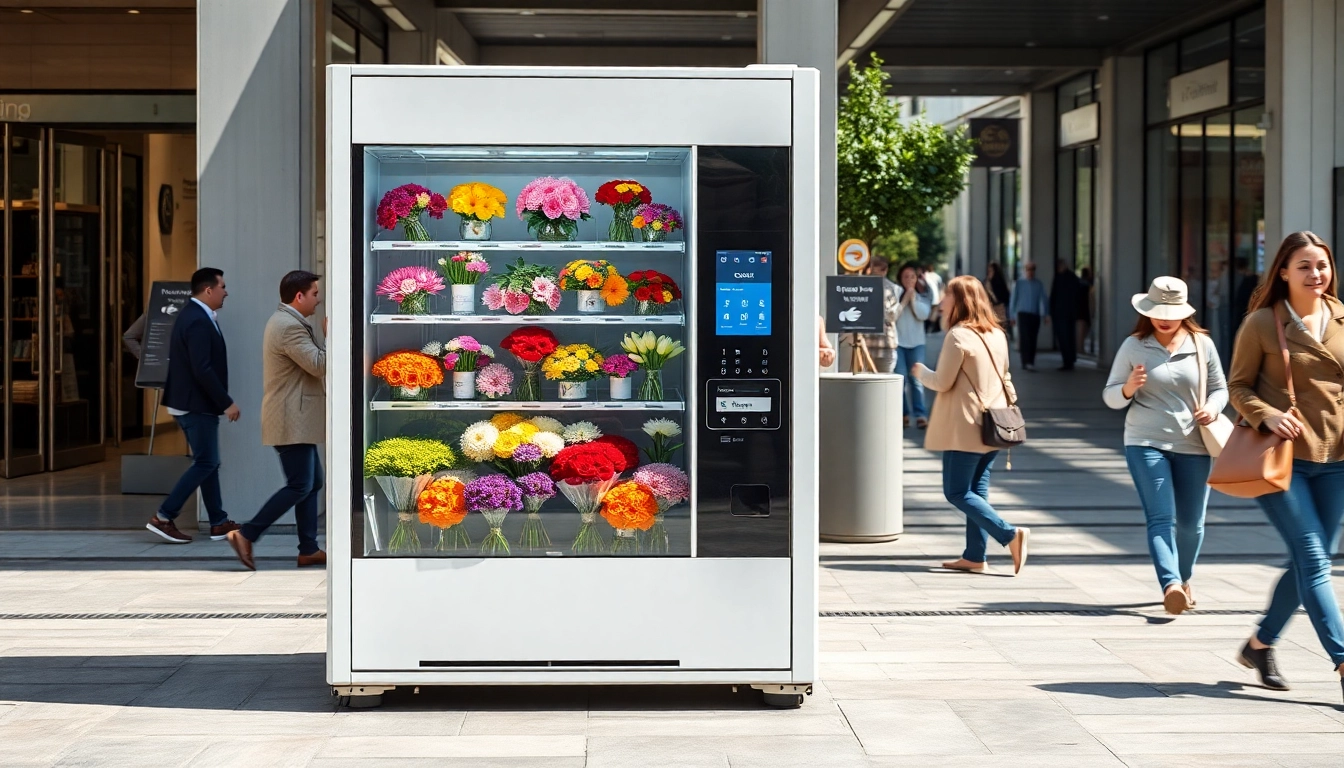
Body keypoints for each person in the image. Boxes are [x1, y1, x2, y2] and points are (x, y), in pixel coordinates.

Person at [1227, 231, 1344, 701]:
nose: (1316, 274)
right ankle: (1342, 660)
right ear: (1283, 271)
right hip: (1281, 460)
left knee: (1308, 562)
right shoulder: (1262, 322)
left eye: (1322, 265)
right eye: (1305, 266)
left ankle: (1260, 644)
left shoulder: (1341, 318)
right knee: (1314, 559)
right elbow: (1238, 386)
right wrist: (1267, 414)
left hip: (1336, 459)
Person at [1103, 277, 1225, 615]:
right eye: (1158, 311)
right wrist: (1128, 388)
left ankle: (1183, 580)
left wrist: (1212, 408)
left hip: (1194, 443)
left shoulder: (1202, 345)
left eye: (1171, 312)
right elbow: (1111, 396)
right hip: (1145, 441)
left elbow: (1221, 388)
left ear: (1184, 312)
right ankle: (1170, 584)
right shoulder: (1133, 346)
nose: (1164, 319)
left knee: (1192, 524)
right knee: (1160, 518)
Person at [911, 275, 1031, 575]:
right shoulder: (997, 333)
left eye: (946, 296)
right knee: (976, 490)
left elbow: (942, 382)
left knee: (956, 492)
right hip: (996, 423)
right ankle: (975, 556)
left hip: (965, 426)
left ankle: (1009, 534)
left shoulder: (958, 335)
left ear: (960, 301)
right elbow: (1005, 376)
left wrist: (919, 371)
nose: (941, 302)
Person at [227, 271, 328, 570]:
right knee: (300, 484)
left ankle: (308, 549)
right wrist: (331, 336)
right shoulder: (288, 327)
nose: (318, 299)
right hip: (290, 418)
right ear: (299, 296)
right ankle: (246, 534)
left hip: (296, 418)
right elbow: (318, 364)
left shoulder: (289, 321)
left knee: (312, 483)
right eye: (314, 294)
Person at [146, 267, 241, 544]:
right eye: (222, 287)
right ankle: (163, 517)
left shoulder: (197, 315)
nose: (226, 292)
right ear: (209, 290)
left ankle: (218, 522)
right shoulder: (197, 319)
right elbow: (202, 368)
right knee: (207, 462)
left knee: (208, 463)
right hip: (196, 404)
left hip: (194, 402)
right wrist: (226, 402)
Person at [891, 262, 932, 428]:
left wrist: (913, 298)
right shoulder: (895, 294)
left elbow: (923, 315)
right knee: (900, 379)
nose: (909, 280)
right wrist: (904, 300)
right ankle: (903, 414)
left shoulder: (923, 294)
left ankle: (920, 414)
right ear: (900, 278)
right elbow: (892, 316)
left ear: (917, 278)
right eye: (905, 277)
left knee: (917, 380)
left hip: (917, 343)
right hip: (898, 343)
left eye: (912, 277)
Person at [862, 257, 900, 374]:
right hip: (865, 343)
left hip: (885, 343)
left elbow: (892, 316)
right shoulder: (862, 286)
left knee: (885, 379)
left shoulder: (892, 288)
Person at [1009, 261, 1048, 371]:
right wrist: (1012, 316)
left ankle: (1031, 361)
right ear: (1025, 271)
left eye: (1032, 269)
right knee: (1025, 337)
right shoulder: (1019, 283)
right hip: (1023, 313)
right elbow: (1013, 300)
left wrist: (1046, 314)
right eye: (1028, 269)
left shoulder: (1038, 284)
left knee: (1033, 338)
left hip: (1034, 314)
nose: (1030, 272)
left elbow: (1044, 299)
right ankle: (1025, 361)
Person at [1050, 260, 1081, 370]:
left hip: (1062, 314)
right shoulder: (1072, 278)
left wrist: (1052, 312)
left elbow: (1053, 296)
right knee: (1068, 337)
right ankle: (1070, 360)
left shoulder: (1060, 278)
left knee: (1064, 338)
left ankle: (1068, 360)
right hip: (1068, 314)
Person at [984, 262, 1011, 335]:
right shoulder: (987, 282)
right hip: (989, 312)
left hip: (1000, 311)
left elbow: (1004, 297)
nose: (990, 273)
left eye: (991, 271)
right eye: (989, 271)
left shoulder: (1000, 283)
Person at [1076, 266, 1094, 356]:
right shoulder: (1087, 286)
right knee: (1082, 330)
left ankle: (1079, 348)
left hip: (1079, 309)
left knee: (1081, 330)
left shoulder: (1078, 284)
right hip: (1084, 309)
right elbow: (1090, 299)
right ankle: (1080, 348)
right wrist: (1092, 310)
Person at [922, 262, 944, 334]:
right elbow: (941, 288)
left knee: (927, 312)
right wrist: (941, 297)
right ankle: (931, 327)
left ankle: (926, 327)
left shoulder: (924, 275)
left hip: (926, 297)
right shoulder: (937, 277)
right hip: (935, 297)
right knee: (934, 313)